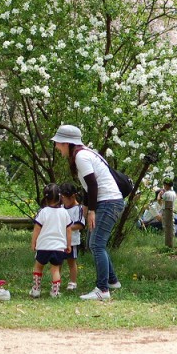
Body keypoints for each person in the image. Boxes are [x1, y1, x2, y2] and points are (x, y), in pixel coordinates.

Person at [51, 125, 123, 302]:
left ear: (68, 143)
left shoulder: (82, 156)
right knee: (97, 243)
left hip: (108, 202)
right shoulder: (84, 154)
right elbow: (89, 185)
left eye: (59, 143)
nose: (57, 147)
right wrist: (85, 204)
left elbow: (93, 185)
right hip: (107, 201)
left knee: (96, 244)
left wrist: (91, 210)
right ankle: (112, 281)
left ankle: (102, 289)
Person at [30, 184, 72, 298]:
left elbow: (37, 229)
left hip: (43, 246)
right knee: (55, 269)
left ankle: (36, 290)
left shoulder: (43, 212)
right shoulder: (64, 212)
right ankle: (55, 292)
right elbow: (68, 230)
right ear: (60, 197)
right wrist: (68, 245)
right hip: (58, 247)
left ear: (45, 197)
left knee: (38, 266)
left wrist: (33, 242)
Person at [59, 182, 85, 291]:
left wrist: (67, 227)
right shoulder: (60, 208)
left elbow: (80, 225)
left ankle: (73, 282)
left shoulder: (78, 209)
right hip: (59, 240)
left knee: (71, 262)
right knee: (58, 262)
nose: (63, 201)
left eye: (65, 198)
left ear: (73, 197)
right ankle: (57, 281)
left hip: (72, 241)